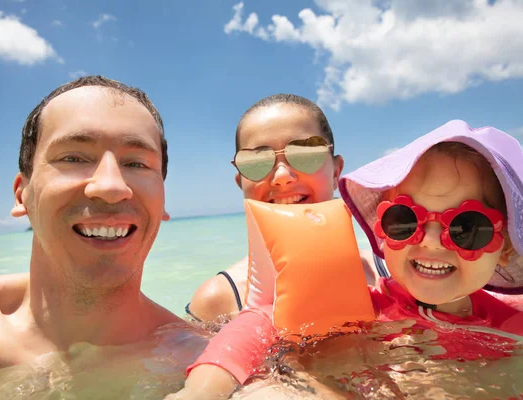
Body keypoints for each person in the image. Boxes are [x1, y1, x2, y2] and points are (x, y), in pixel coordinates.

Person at [171, 120, 523, 399]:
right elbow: (260, 324)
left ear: (506, 245)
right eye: (404, 221)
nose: (431, 243)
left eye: (466, 227)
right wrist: (200, 390)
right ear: (382, 231)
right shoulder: (361, 308)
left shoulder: (513, 326)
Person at [0, 76, 204, 391]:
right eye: (74, 158)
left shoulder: (199, 361)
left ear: (163, 200)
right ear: (21, 195)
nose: (110, 187)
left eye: (137, 163)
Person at [186, 94, 382, 323]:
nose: (281, 177)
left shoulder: (390, 275)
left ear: (336, 172)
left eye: (306, 154)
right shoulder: (219, 300)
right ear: (241, 182)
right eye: (255, 161)